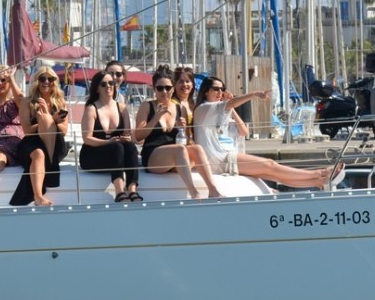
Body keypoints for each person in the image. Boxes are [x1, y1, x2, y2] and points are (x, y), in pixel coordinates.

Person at [193, 76, 344, 188]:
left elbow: (243, 131)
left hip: (225, 155)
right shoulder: (203, 109)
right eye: (216, 89)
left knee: (270, 173)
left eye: (222, 89)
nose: (220, 92)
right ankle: (321, 173)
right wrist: (253, 94)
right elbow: (227, 105)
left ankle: (318, 182)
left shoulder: (218, 112)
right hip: (219, 159)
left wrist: (230, 108)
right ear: (206, 91)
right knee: (270, 164)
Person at [133, 66, 221, 199]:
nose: (164, 91)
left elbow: (185, 140)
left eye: (168, 88)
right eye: (160, 88)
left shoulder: (180, 109)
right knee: (179, 149)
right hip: (154, 156)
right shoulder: (147, 106)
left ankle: (213, 190)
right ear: (154, 89)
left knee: (196, 148)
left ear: (173, 88)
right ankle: (194, 192)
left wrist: (182, 129)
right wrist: (155, 118)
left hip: (175, 157)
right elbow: (138, 137)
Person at [78, 70, 141, 202]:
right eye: (103, 84)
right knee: (116, 147)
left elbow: (127, 135)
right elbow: (87, 139)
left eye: (111, 83)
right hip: (92, 154)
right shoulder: (91, 108)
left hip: (116, 153)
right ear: (97, 88)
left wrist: (125, 138)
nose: (108, 86)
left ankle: (132, 189)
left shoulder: (122, 108)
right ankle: (119, 192)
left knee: (129, 146)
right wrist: (109, 142)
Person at [10, 67, 69, 206]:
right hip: (32, 141)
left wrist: (50, 118)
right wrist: (43, 120)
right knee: (38, 154)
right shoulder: (26, 102)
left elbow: (64, 131)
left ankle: (47, 167)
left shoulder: (60, 102)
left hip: (55, 143)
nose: (46, 82)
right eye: (42, 78)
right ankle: (38, 196)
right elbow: (27, 130)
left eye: (51, 79)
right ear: (37, 81)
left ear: (55, 81)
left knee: (46, 119)